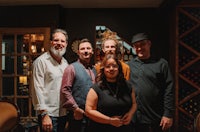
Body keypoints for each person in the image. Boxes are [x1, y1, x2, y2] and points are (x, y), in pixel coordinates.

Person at [128, 32, 175, 132]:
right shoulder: (129, 65)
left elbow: (169, 90)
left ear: (149, 44)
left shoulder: (161, 64)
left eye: (142, 45)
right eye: (136, 46)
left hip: (157, 117)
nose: (139, 48)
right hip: (135, 119)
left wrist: (168, 114)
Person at [85, 53, 137, 132]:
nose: (111, 69)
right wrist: (109, 120)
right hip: (102, 128)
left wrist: (130, 114)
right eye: (108, 66)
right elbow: (89, 111)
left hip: (125, 128)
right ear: (103, 69)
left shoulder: (128, 86)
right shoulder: (96, 88)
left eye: (114, 66)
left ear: (119, 68)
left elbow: (134, 104)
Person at [31, 28, 69, 132]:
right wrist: (44, 114)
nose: (59, 43)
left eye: (62, 41)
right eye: (56, 40)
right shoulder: (41, 62)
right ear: (51, 42)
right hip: (49, 115)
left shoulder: (65, 63)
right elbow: (37, 88)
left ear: (66, 44)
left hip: (63, 113)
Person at [60, 38, 96, 132]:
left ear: (92, 51)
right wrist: (75, 108)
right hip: (77, 115)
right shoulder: (71, 68)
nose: (86, 51)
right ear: (78, 52)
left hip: (92, 116)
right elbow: (65, 90)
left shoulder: (94, 70)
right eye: (83, 49)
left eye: (88, 48)